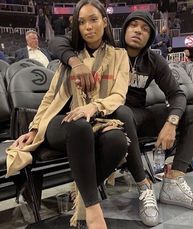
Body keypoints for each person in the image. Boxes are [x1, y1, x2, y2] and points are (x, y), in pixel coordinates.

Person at [48, 10, 193, 226]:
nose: (138, 31)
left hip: (140, 114)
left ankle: (174, 181)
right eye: (133, 25)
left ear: (150, 37)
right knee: (122, 111)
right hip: (112, 115)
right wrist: (75, 62)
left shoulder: (154, 60)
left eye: (145, 29)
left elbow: (177, 94)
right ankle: (144, 185)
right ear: (124, 29)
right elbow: (57, 42)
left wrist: (172, 121)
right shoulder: (111, 51)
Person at [6, 1, 131, 228]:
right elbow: (50, 98)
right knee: (78, 124)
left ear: (104, 21)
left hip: (96, 119)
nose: (88, 27)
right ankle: (92, 210)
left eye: (93, 20)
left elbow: (119, 95)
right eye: (82, 22)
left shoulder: (119, 55)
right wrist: (34, 129)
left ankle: (84, 191)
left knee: (118, 140)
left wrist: (93, 107)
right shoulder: (69, 59)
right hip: (59, 125)